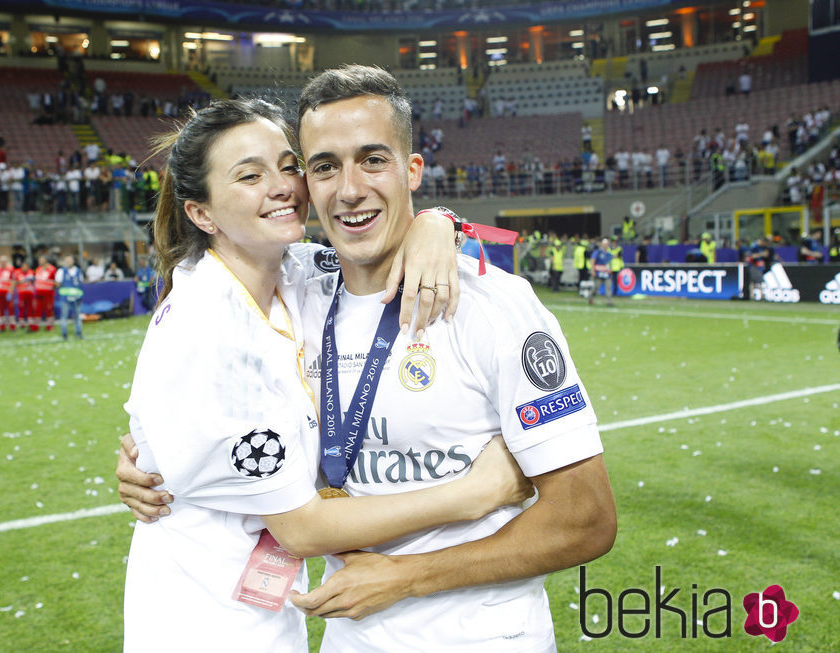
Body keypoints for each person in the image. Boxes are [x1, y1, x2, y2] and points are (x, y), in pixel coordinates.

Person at [119, 66, 615, 651]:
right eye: (325, 166)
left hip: (480, 637)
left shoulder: (491, 306)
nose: (348, 188)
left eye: (373, 160)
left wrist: (439, 224)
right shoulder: (300, 288)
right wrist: (153, 460)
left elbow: (586, 519)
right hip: (346, 634)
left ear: (412, 170)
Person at [55, 255, 84, 340]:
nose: (68, 262)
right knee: (64, 316)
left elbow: (80, 282)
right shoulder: (61, 271)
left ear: (73, 261)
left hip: (76, 298)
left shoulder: (78, 271)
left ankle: (78, 333)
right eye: (66, 260)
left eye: (70, 260)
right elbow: (58, 283)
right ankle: (64, 334)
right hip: (65, 298)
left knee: (77, 316)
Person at [33, 256, 57, 330]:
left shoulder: (52, 269)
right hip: (38, 293)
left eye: (41, 260)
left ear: (46, 260)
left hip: (48, 293)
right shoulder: (38, 269)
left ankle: (49, 326)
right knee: (37, 309)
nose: (39, 261)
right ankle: (36, 326)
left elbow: (56, 282)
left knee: (49, 310)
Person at [589, 238, 614, 306]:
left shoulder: (609, 254)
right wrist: (593, 271)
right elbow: (593, 261)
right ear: (602, 244)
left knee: (608, 287)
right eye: (605, 244)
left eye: (607, 244)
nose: (606, 245)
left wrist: (610, 270)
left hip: (606, 273)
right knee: (596, 287)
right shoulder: (597, 252)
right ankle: (591, 297)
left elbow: (609, 263)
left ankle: (608, 302)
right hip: (598, 273)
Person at [0, 255, 15, 331]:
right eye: (1, 261)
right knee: (1, 310)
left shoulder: (10, 269)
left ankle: (12, 326)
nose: (2, 263)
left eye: (3, 261)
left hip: (7, 293)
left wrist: (10, 291)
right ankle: (2, 326)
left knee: (10, 310)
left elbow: (13, 281)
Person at [13, 261, 36, 331]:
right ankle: (22, 324)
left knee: (30, 309)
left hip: (30, 293)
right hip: (21, 293)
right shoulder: (17, 272)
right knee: (21, 308)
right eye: (24, 266)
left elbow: (34, 281)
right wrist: (23, 281)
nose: (25, 268)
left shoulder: (31, 272)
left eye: (26, 266)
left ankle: (31, 324)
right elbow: (14, 282)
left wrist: (32, 280)